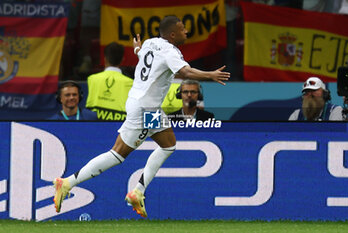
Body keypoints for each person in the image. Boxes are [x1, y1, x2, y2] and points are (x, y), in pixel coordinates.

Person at [53, 15, 230, 218]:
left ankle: (138, 192)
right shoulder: (171, 52)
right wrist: (210, 75)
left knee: (168, 145)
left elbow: (144, 56)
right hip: (145, 109)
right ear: (172, 34)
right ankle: (67, 183)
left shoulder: (150, 43)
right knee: (118, 154)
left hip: (147, 107)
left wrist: (137, 49)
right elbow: (185, 71)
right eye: (183, 29)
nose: (186, 32)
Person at [85, 42, 133, 121]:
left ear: (105, 59)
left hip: (94, 125)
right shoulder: (130, 83)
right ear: (122, 60)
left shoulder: (92, 79)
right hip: (119, 127)